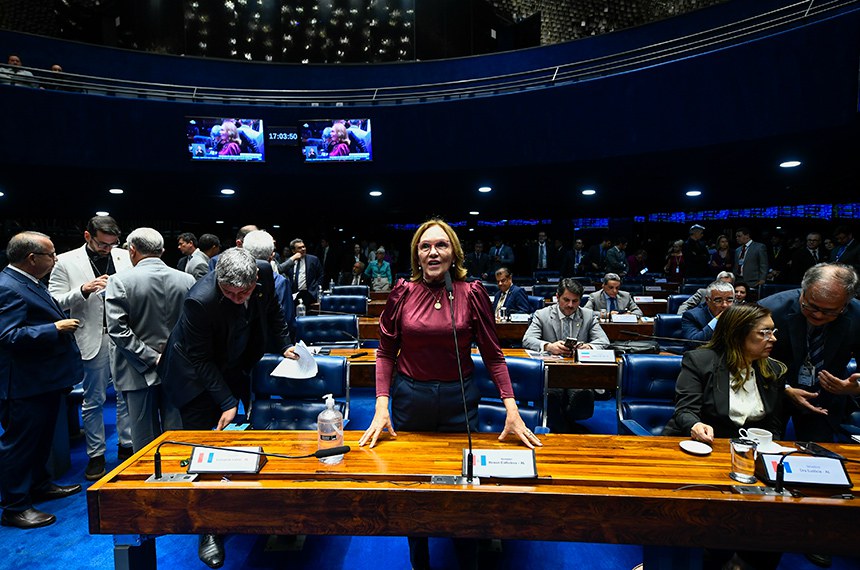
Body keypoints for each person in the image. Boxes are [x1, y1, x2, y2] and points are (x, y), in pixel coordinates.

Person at [357, 219, 538, 570]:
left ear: (453, 252)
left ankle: (465, 556)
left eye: (441, 245)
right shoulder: (402, 293)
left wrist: (511, 408)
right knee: (413, 485)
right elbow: (384, 352)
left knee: (464, 485)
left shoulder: (471, 293)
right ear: (417, 255)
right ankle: (420, 561)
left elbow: (493, 354)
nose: (433, 252)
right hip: (411, 398)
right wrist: (382, 406)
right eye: (425, 247)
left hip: (459, 401)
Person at [159, 248, 298, 569]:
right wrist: (225, 402)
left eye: (244, 292)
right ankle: (209, 528)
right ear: (218, 282)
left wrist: (285, 343)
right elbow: (200, 359)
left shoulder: (263, 271)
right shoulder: (200, 300)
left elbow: (274, 311)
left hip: (235, 361)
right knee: (204, 448)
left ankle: (242, 504)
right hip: (193, 377)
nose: (237, 298)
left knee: (241, 441)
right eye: (229, 293)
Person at [664, 303, 787, 570]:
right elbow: (685, 411)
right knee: (710, 517)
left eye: (773, 331)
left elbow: (775, 424)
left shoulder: (773, 370)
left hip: (750, 459)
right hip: (704, 450)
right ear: (738, 334)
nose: (773, 339)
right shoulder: (700, 361)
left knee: (777, 518)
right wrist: (696, 425)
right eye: (764, 333)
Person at [0, 232, 84, 529]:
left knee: (40, 441)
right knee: (20, 445)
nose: (55, 259)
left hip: (42, 380)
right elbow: (7, 336)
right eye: (51, 255)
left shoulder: (27, 282)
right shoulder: (8, 287)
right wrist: (54, 328)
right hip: (24, 384)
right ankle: (14, 507)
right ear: (32, 258)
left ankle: (39, 484)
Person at [48, 215, 134, 481]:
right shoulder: (64, 261)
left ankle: (126, 445)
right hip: (91, 337)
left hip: (124, 336)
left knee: (126, 396)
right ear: (88, 236)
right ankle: (96, 454)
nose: (108, 249)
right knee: (93, 400)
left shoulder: (125, 257)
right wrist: (83, 290)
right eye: (102, 244)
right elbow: (53, 302)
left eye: (112, 243)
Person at [105, 228, 195, 452]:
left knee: (143, 439)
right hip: (177, 367)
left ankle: (147, 483)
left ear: (132, 250)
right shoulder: (187, 279)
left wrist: (152, 358)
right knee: (177, 436)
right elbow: (194, 326)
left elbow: (118, 330)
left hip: (136, 369)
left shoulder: (119, 281)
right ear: (162, 251)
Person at [759, 263, 860, 443]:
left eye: (829, 311)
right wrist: (786, 388)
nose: (819, 315)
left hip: (825, 400)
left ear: (845, 304)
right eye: (811, 307)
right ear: (803, 291)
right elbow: (746, 359)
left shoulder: (858, 315)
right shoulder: (770, 309)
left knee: (820, 459)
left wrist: (856, 386)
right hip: (772, 394)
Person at [523, 278, 609, 432]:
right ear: (557, 297)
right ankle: (561, 427)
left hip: (578, 373)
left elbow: (603, 341)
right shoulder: (542, 315)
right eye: (566, 300)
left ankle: (567, 422)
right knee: (552, 396)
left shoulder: (588, 315)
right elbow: (528, 340)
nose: (570, 305)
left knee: (584, 396)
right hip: (551, 373)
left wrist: (587, 347)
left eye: (575, 301)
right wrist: (549, 346)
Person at [242, 229, 296, 342]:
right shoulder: (280, 282)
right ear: (271, 256)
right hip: (272, 347)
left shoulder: (232, 278)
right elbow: (287, 321)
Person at [680, 280, 735, 348]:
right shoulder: (691, 316)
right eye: (718, 300)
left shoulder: (739, 314)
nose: (725, 305)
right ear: (707, 300)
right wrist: (717, 319)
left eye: (729, 300)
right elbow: (694, 342)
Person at [278, 237, 323, 307]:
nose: (303, 249)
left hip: (309, 293)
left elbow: (321, 275)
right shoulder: (289, 261)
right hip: (294, 294)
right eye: (299, 248)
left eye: (303, 247)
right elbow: (280, 270)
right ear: (293, 251)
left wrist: (316, 288)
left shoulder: (313, 259)